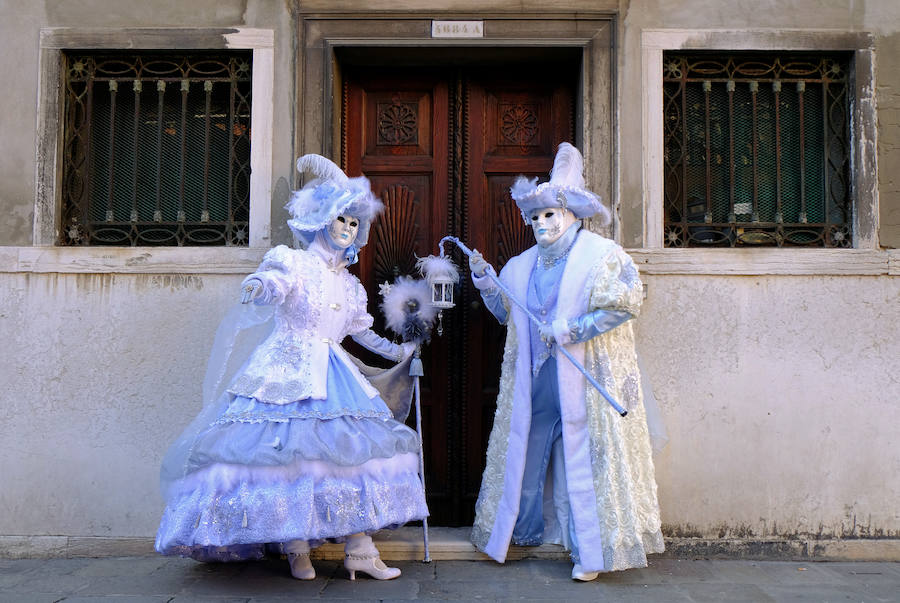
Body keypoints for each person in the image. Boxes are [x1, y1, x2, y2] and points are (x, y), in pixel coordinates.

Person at [155, 154, 428, 581]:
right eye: (342, 219)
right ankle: (295, 545)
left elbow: (361, 332)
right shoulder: (294, 262)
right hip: (285, 373)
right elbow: (275, 285)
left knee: (349, 457)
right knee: (288, 459)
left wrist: (399, 353)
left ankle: (360, 550)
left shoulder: (348, 282)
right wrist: (261, 285)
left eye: (355, 223)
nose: (348, 229)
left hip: (336, 376)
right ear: (321, 218)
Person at [467, 143, 664, 580]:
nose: (541, 223)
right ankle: (521, 530)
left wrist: (570, 329)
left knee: (584, 459)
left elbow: (625, 304)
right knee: (528, 449)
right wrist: (486, 282)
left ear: (570, 214)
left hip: (584, 378)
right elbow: (509, 315)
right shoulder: (521, 266)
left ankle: (588, 553)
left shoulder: (601, 257)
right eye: (534, 217)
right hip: (535, 380)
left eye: (549, 215)